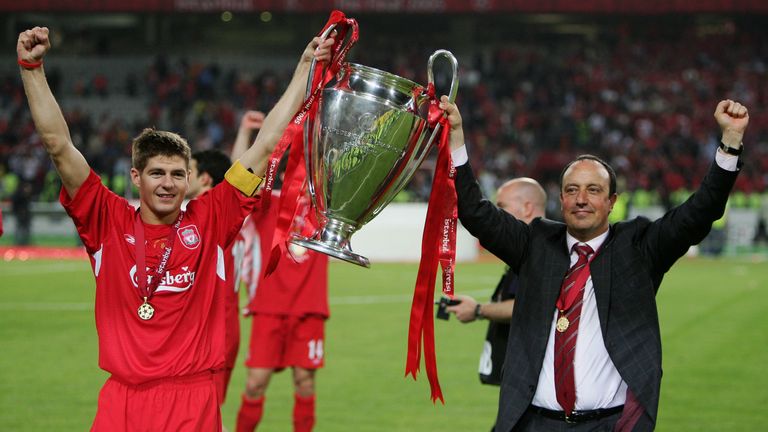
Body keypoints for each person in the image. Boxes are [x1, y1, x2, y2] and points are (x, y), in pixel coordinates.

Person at [18, 25, 334, 431]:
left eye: (176, 174)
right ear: (136, 176)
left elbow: (266, 144)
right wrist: (32, 69)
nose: (167, 183)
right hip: (123, 402)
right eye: (156, 173)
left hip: (192, 402)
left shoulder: (212, 217)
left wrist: (304, 69)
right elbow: (58, 145)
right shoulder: (106, 220)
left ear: (189, 179)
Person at [441, 95, 748, 431]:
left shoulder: (640, 247)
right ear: (560, 200)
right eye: (572, 190)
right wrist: (456, 137)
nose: (581, 199)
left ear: (611, 201)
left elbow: (699, 212)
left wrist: (730, 143)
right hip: (535, 423)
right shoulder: (535, 244)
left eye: (593, 190)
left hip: (609, 424)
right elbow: (474, 211)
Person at [233, 123, 329, 432]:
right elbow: (240, 177)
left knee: (304, 383)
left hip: (308, 308)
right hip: (269, 307)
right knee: (255, 383)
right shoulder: (268, 204)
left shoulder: (326, 208)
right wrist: (246, 134)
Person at [446, 177, 546, 432]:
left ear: (526, 208)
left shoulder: (541, 252)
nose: (496, 212)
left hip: (538, 382)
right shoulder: (531, 248)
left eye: (502, 205)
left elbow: (529, 305)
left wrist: (478, 310)